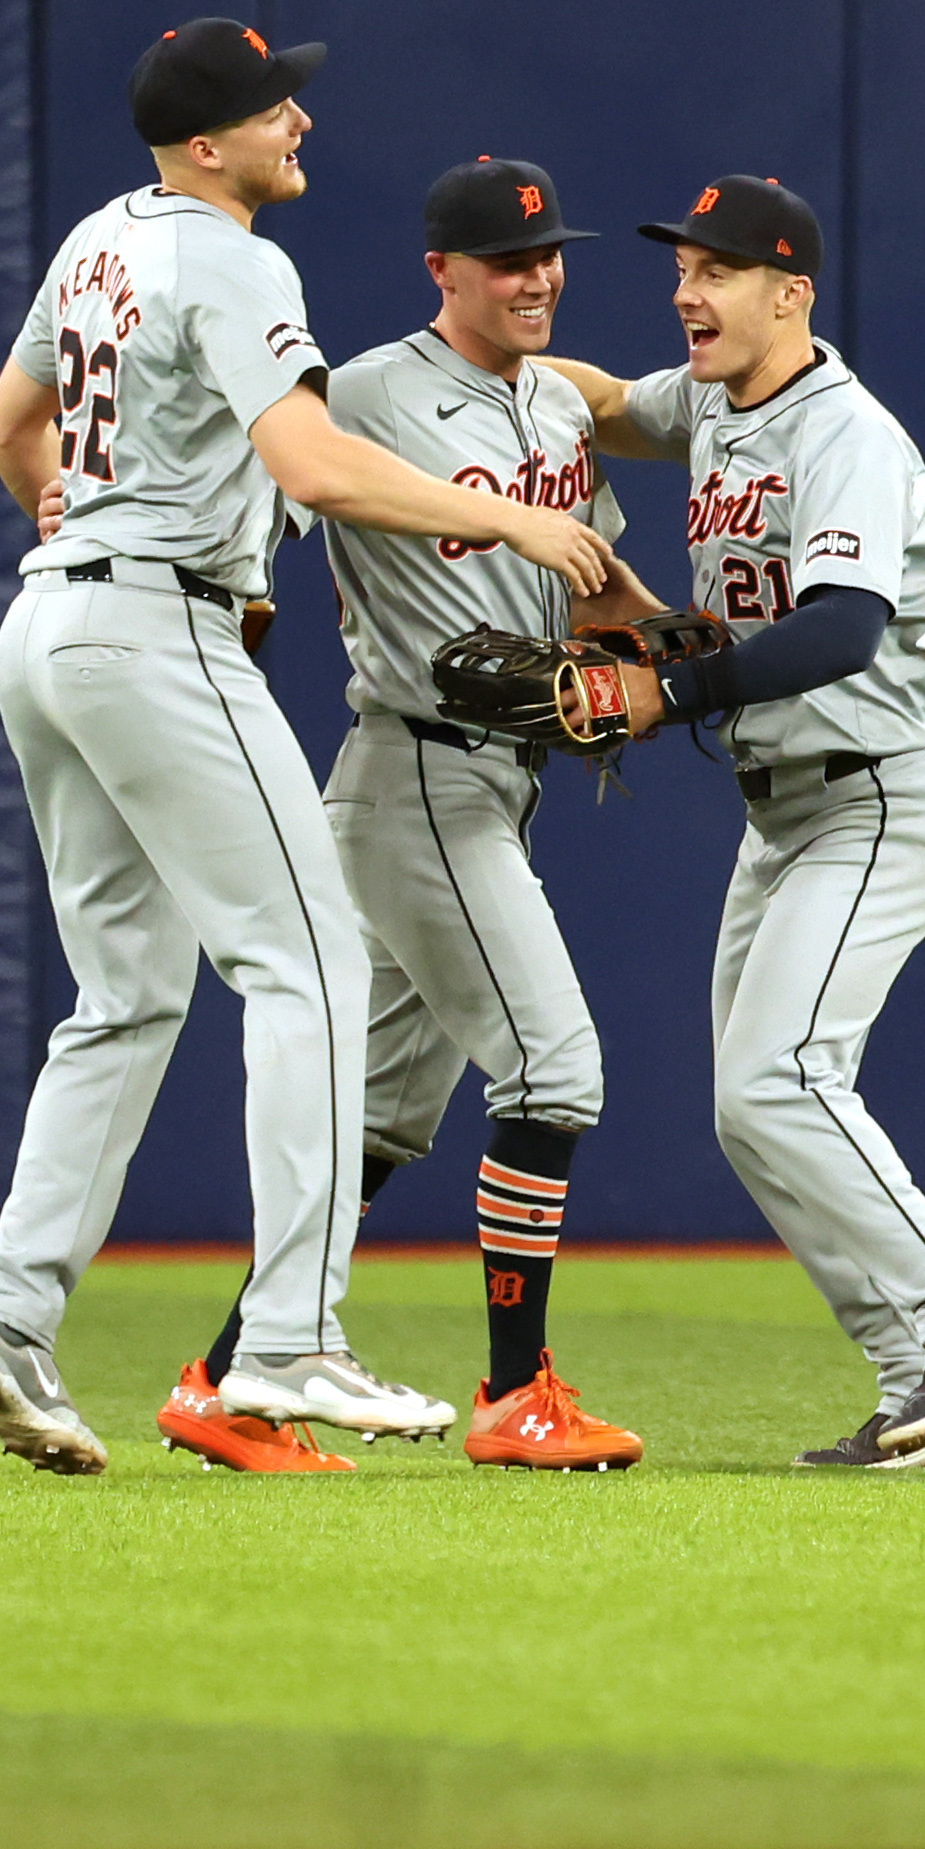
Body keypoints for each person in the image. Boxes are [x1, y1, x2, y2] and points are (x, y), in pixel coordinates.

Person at [0, 21, 610, 1474]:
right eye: (266, 105)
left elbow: (7, 427)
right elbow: (310, 466)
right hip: (154, 631)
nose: (295, 117)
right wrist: (504, 513)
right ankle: (291, 1340)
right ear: (203, 142)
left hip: (49, 631)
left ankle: (8, 1312)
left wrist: (69, 510)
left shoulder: (101, 239)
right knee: (304, 966)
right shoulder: (233, 258)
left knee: (121, 998)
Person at [540, 174, 925, 1470]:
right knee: (751, 1102)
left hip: (873, 792)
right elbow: (603, 404)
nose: (684, 291)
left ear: (789, 293)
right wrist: (486, 367)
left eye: (715, 271)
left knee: (781, 1079)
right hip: (781, 812)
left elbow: (840, 628)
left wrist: (670, 685)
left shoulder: (845, 434)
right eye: (678, 269)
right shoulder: (714, 398)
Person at [159, 158, 649, 1474]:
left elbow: (595, 585)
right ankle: (515, 1389)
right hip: (417, 771)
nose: (536, 276)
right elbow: (274, 496)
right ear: (442, 269)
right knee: (555, 1067)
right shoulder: (366, 390)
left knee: (374, 1120)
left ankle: (222, 1377)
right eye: (506, 258)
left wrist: (674, 646)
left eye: (549, 253)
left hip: (497, 780)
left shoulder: (554, 405)